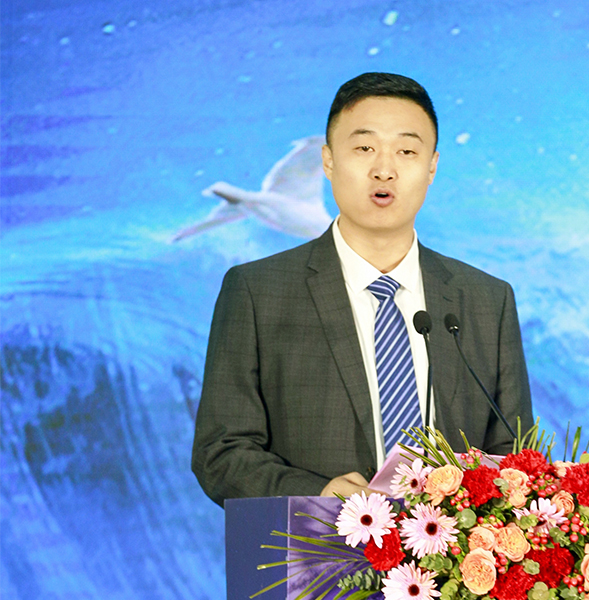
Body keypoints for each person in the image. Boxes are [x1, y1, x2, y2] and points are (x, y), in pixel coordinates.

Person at [191, 72, 533, 506]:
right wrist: (318, 496)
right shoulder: (257, 292)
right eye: (364, 148)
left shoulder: (486, 300)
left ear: (431, 167)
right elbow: (220, 454)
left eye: (406, 151)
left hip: (450, 546)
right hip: (315, 544)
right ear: (328, 161)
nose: (384, 170)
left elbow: (516, 459)